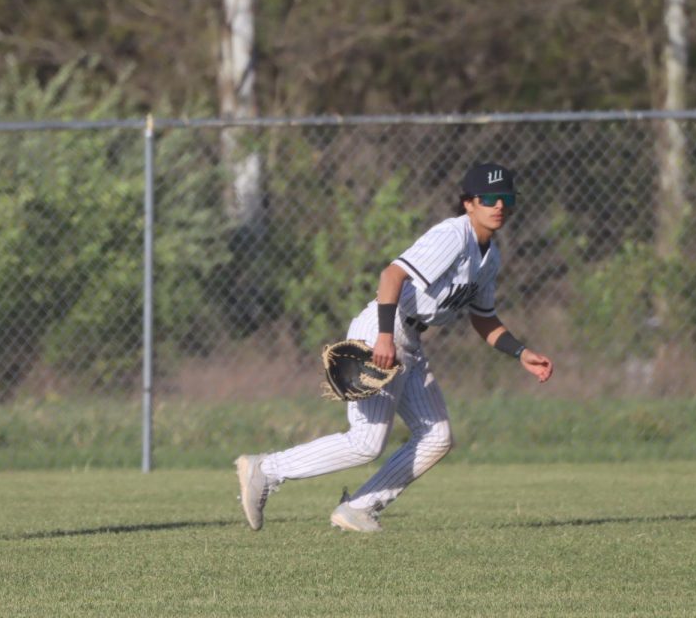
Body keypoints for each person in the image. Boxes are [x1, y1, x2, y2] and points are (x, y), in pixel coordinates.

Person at [235, 162, 553, 533]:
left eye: (506, 198)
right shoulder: (453, 235)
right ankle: (266, 469)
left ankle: (359, 507)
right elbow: (392, 275)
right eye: (489, 198)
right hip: (386, 329)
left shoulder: (490, 256)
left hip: (411, 340)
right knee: (366, 443)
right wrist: (384, 337)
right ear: (469, 202)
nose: (499, 205)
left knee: (437, 437)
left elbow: (482, 317)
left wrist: (520, 352)